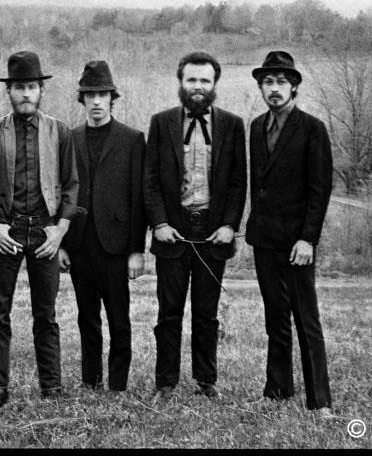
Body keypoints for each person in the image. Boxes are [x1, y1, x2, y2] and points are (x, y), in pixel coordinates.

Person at [0, 51, 81, 410]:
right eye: (19, 87)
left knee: (46, 315)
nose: (26, 93)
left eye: (32, 87)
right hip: (6, 231)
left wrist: (59, 231)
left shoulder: (59, 132)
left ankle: (51, 388)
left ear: (41, 90)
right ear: (8, 91)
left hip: (44, 233)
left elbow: (71, 186)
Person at [143, 51, 247, 401]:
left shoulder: (232, 125)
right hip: (172, 232)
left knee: (207, 313)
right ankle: (165, 383)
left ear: (214, 84)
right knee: (168, 313)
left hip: (213, 233)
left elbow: (238, 182)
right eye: (192, 80)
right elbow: (150, 180)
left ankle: (206, 380)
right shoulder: (161, 123)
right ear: (181, 82)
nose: (198, 86)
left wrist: (229, 225)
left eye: (205, 80)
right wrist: (159, 222)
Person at [245, 50, 333, 416]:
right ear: (261, 88)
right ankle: (277, 389)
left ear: (294, 87)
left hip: (297, 243)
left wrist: (308, 238)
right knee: (275, 317)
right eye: (268, 82)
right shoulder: (256, 127)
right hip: (264, 239)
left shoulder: (312, 128)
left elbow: (320, 188)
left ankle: (320, 401)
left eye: (282, 82)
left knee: (306, 319)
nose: (274, 88)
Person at [58, 60, 146, 394]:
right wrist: (61, 243)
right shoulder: (69, 138)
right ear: (82, 99)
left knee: (119, 319)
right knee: (87, 317)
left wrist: (136, 250)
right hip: (80, 243)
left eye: (103, 94)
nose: (96, 101)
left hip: (116, 246)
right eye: (90, 95)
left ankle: (118, 385)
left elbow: (138, 199)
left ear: (112, 98)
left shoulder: (132, 139)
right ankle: (90, 380)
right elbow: (59, 191)